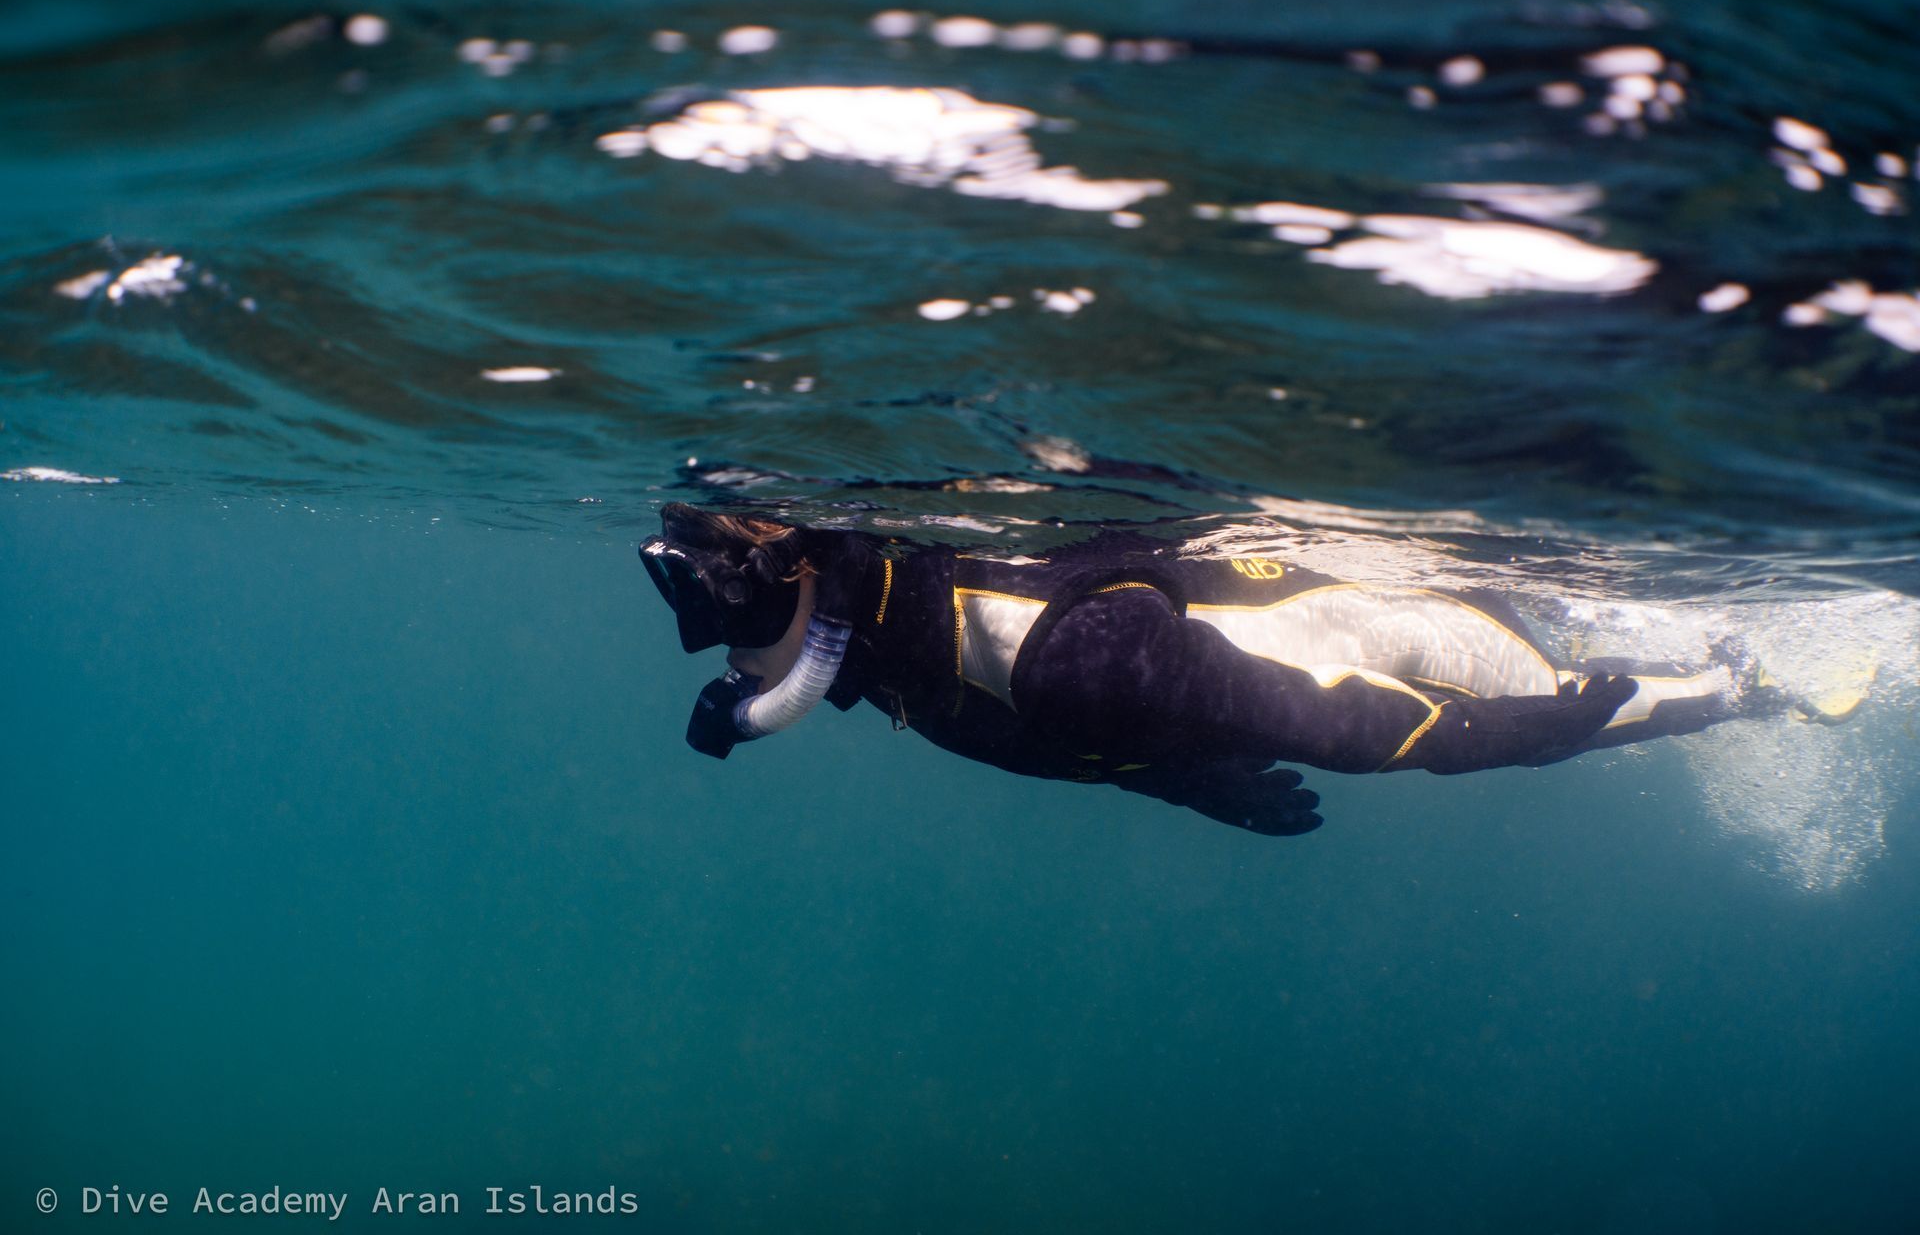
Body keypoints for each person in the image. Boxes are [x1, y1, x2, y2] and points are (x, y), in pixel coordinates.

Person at [639, 502, 1792, 836]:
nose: (712, 643)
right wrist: (1186, 776)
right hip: (1256, 665)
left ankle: (1737, 685)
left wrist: (1532, 732)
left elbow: (1349, 727)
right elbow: (1067, 738)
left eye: (706, 591)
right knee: (1574, 662)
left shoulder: (1045, 655)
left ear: (794, 570)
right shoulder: (902, 652)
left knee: (1578, 675)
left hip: (1379, 628)